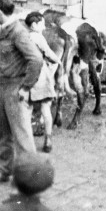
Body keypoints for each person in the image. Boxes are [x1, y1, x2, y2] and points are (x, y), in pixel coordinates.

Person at [0, 0, 44, 184]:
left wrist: (26, 87)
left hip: (15, 89)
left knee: (22, 137)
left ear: (0, 12)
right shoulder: (4, 31)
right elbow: (5, 62)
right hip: (2, 87)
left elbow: (36, 59)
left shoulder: (17, 32)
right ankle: (5, 170)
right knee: (2, 133)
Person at [25, 11, 61, 153]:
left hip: (27, 77)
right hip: (41, 77)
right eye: (42, 24)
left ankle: (27, 142)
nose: (44, 27)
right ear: (34, 24)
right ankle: (48, 140)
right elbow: (49, 54)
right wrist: (58, 61)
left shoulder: (24, 37)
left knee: (27, 111)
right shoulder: (38, 38)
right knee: (46, 109)